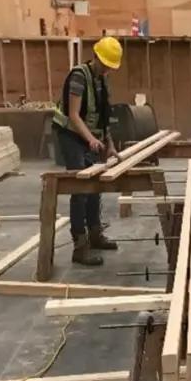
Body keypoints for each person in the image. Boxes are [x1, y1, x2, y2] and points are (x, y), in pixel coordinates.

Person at [52, 36, 123, 266]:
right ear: (96, 58)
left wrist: (109, 144)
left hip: (89, 137)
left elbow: (103, 116)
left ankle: (95, 234)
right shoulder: (79, 77)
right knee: (80, 186)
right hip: (71, 135)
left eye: (110, 67)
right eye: (105, 65)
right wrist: (91, 139)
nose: (107, 70)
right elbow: (73, 115)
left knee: (95, 185)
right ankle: (80, 246)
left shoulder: (102, 80)